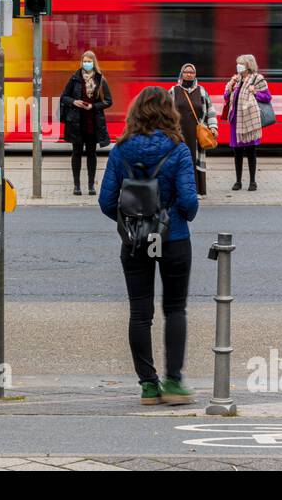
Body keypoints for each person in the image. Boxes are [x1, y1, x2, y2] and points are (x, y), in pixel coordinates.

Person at [98, 86, 199, 407]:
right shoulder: (179, 149)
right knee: (175, 309)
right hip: (174, 239)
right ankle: (174, 382)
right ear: (169, 112)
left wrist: (129, 216)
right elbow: (189, 203)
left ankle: (148, 386)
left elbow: (105, 201)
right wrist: (176, 216)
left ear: (135, 112)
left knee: (140, 314)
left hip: (135, 239)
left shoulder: (121, 149)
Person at [60, 51, 113, 195]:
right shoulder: (75, 78)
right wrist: (74, 102)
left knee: (91, 153)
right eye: (84, 61)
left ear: (94, 62)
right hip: (76, 123)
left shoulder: (101, 80)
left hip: (92, 123)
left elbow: (108, 101)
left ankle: (91, 185)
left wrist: (93, 106)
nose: (86, 63)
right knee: (76, 153)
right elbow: (64, 97)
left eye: (89, 61)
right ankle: (76, 186)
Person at [222, 54, 272, 192]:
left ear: (248, 65)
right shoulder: (237, 79)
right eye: (238, 63)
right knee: (237, 153)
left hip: (249, 121)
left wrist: (255, 92)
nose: (238, 66)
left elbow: (267, 97)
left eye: (241, 63)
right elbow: (226, 97)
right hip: (235, 120)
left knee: (251, 152)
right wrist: (230, 86)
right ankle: (238, 181)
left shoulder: (257, 79)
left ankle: (252, 182)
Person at [170, 63, 218, 196]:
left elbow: (210, 111)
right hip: (179, 133)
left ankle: (197, 191)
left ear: (195, 74)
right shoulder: (173, 91)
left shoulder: (202, 91)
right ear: (182, 73)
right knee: (181, 160)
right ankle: (180, 191)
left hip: (197, 133)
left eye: (192, 72)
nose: (189, 74)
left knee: (195, 159)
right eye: (186, 72)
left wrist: (213, 127)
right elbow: (166, 111)